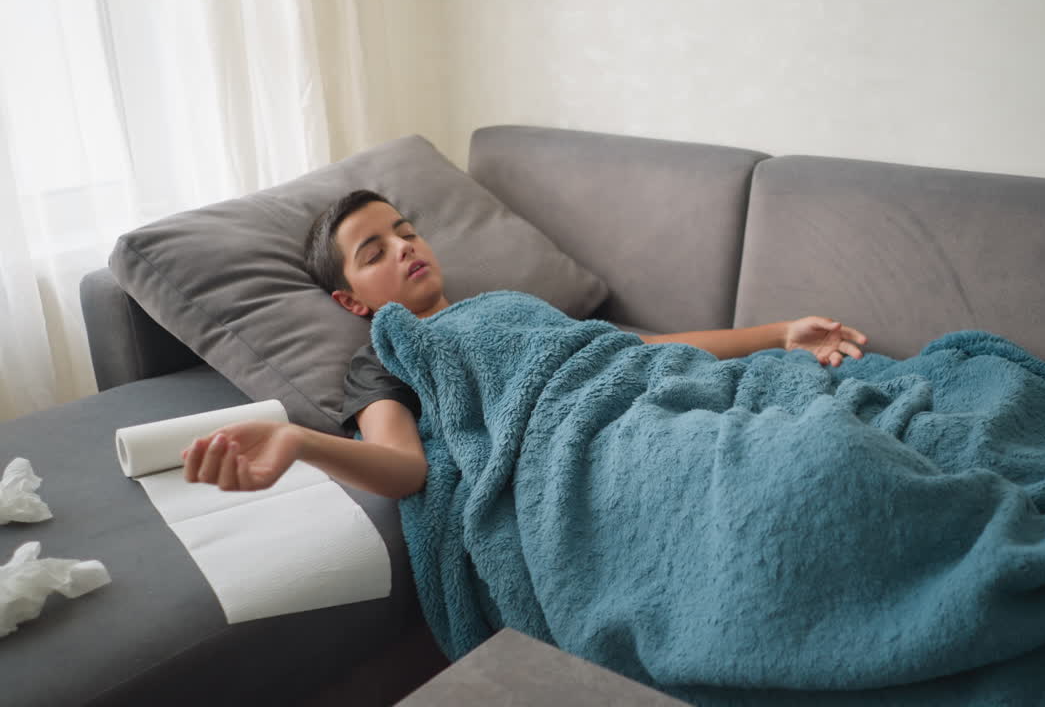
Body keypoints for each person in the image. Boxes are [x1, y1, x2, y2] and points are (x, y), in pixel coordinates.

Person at [180, 190, 869, 498]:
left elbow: (645, 347)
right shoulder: (384, 357)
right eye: (375, 250)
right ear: (352, 302)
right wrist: (302, 444)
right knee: (806, 469)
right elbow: (403, 469)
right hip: (593, 446)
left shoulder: (502, 305)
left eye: (406, 229)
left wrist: (779, 333)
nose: (405, 245)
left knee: (832, 430)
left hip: (653, 390)